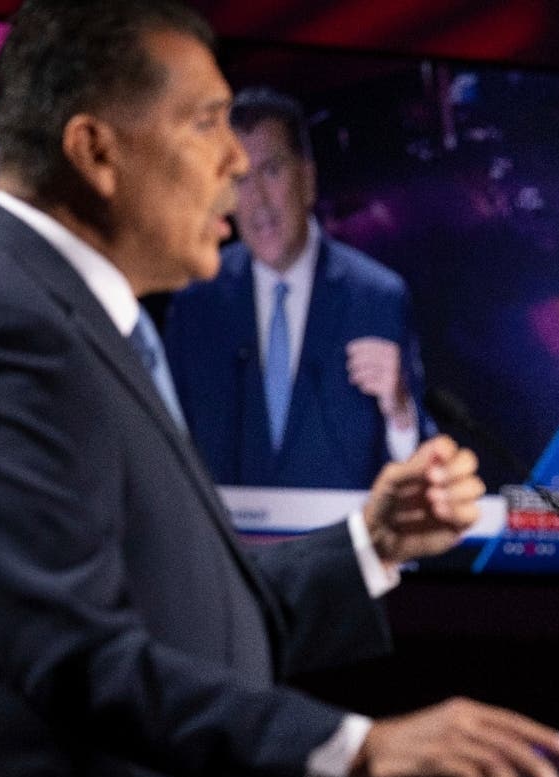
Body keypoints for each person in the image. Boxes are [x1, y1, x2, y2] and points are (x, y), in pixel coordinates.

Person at [0, 2, 559, 777]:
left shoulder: (85, 320)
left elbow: (187, 624)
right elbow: (74, 655)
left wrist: (372, 542)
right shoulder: (2, 319)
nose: (236, 163)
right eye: (208, 121)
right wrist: (356, 746)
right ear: (95, 149)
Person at [163, 85, 431, 491]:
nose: (258, 202)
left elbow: (419, 469)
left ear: (307, 178)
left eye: (272, 171)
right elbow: (167, 454)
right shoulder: (197, 302)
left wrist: (401, 412)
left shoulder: (377, 298)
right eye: (241, 180)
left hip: (339, 550)